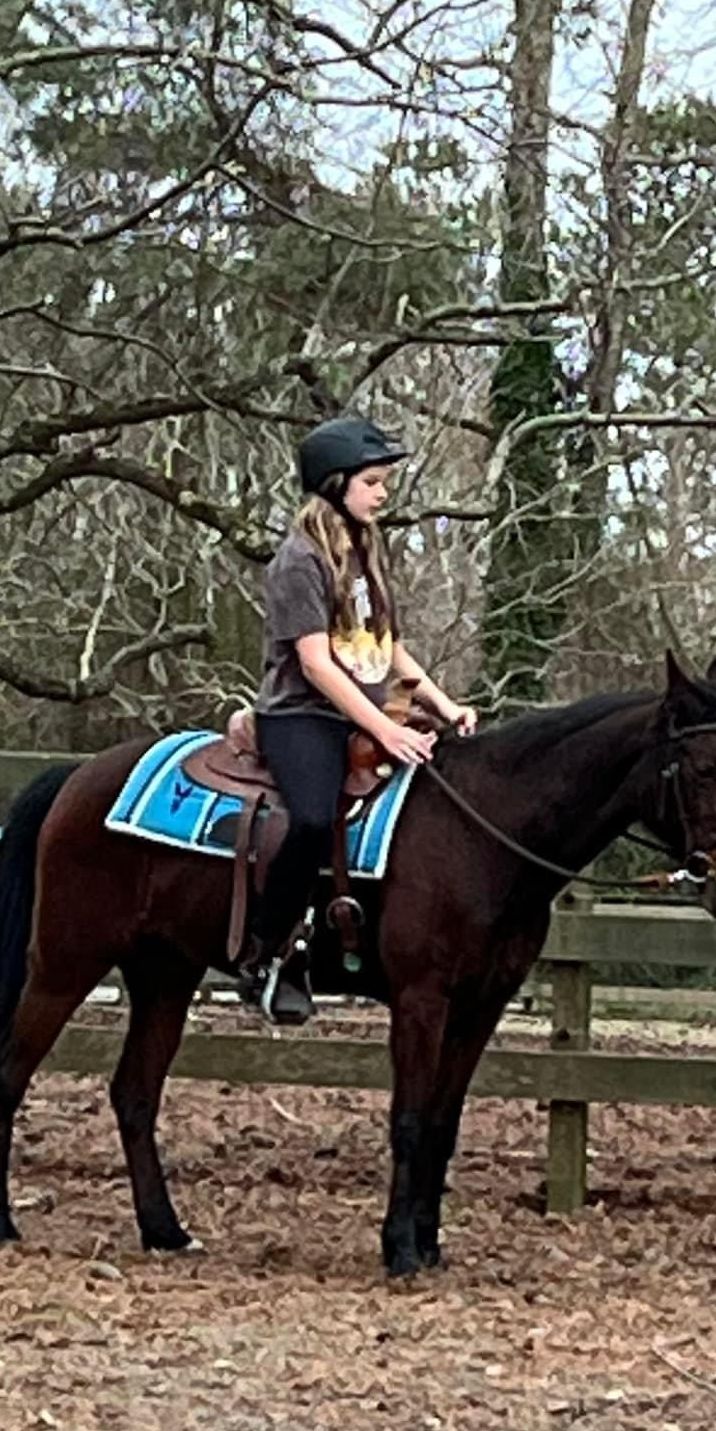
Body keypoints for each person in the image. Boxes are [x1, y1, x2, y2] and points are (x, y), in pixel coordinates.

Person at [241, 416, 477, 1025]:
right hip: (304, 716)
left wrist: (443, 705)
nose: (383, 492)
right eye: (372, 481)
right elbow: (316, 664)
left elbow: (386, 647)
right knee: (313, 819)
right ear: (335, 483)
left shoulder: (367, 550)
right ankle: (265, 951)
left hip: (366, 712)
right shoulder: (299, 560)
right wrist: (385, 728)